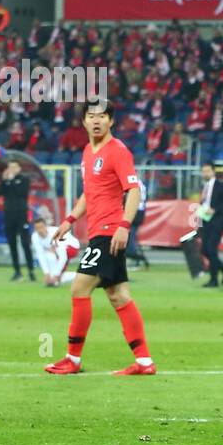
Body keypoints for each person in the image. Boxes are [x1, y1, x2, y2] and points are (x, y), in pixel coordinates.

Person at [44, 103, 156, 376]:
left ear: (111, 121)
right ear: (83, 121)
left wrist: (124, 225)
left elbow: (133, 191)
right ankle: (144, 362)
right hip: (99, 231)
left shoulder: (117, 151)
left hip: (109, 232)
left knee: (79, 288)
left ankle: (73, 358)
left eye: (102, 117)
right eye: (91, 116)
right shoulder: (87, 151)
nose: (96, 121)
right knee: (119, 296)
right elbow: (89, 193)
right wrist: (69, 221)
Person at [0, 160, 35, 281]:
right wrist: (4, 180)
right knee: (12, 243)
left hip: (21, 214)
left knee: (25, 243)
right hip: (8, 215)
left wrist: (11, 180)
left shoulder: (24, 179)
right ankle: (17, 271)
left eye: (14, 167)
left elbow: (22, 193)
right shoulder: (6, 181)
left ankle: (30, 270)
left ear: (19, 168)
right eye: (9, 167)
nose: (11, 169)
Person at [197, 163, 223, 287]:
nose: (205, 173)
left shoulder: (221, 186)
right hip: (206, 220)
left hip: (218, 221)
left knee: (211, 249)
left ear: (213, 172)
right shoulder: (204, 187)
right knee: (204, 249)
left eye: (207, 171)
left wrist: (215, 209)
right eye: (203, 171)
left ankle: (214, 279)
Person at [31, 217, 78, 286]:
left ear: (46, 226)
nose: (39, 230)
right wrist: (46, 273)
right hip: (59, 252)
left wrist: (56, 274)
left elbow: (63, 256)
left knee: (52, 257)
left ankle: (55, 279)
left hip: (72, 247)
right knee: (48, 255)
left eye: (41, 227)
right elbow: (40, 255)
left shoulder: (55, 233)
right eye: (37, 228)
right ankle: (81, 276)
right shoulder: (35, 237)